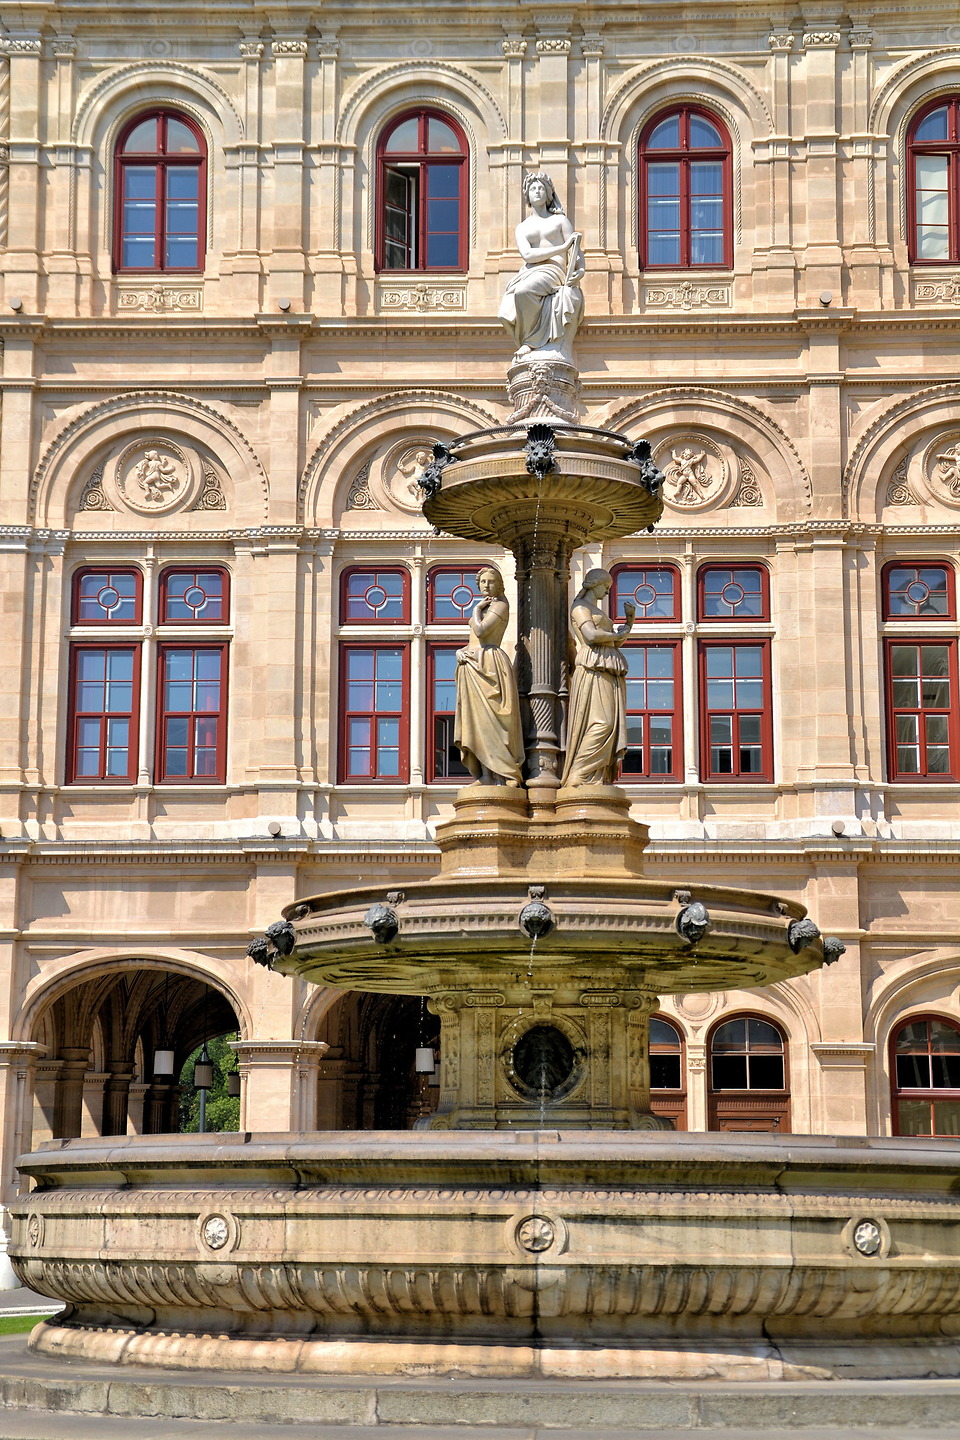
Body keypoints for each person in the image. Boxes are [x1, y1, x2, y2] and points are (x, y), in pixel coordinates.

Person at [498, 172, 585, 365]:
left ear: (549, 194)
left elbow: (576, 253)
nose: (537, 191)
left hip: (554, 271)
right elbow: (527, 255)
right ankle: (530, 338)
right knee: (504, 312)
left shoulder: (560, 221)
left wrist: (581, 270)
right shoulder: (522, 227)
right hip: (529, 271)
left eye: (541, 188)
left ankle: (530, 342)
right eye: (532, 189)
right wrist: (562, 248)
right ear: (527, 195)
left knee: (524, 291)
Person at [561, 569, 635, 788]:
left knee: (611, 724)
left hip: (608, 666)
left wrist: (629, 622)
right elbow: (592, 636)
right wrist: (617, 635)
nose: (608, 590)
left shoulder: (594, 609)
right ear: (594, 584)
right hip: (593, 665)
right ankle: (579, 773)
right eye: (606, 585)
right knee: (602, 723)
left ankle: (597, 775)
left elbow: (614, 643)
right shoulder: (580, 608)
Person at [454, 567, 524, 786]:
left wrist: (475, 610)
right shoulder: (487, 606)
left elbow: (483, 631)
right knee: (478, 723)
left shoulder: (500, 605)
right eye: (483, 582)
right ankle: (485, 774)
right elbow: (473, 639)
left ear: (500, 584)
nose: (486, 585)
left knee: (494, 720)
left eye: (491, 581)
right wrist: (460, 651)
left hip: (491, 663)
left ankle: (503, 773)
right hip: (473, 665)